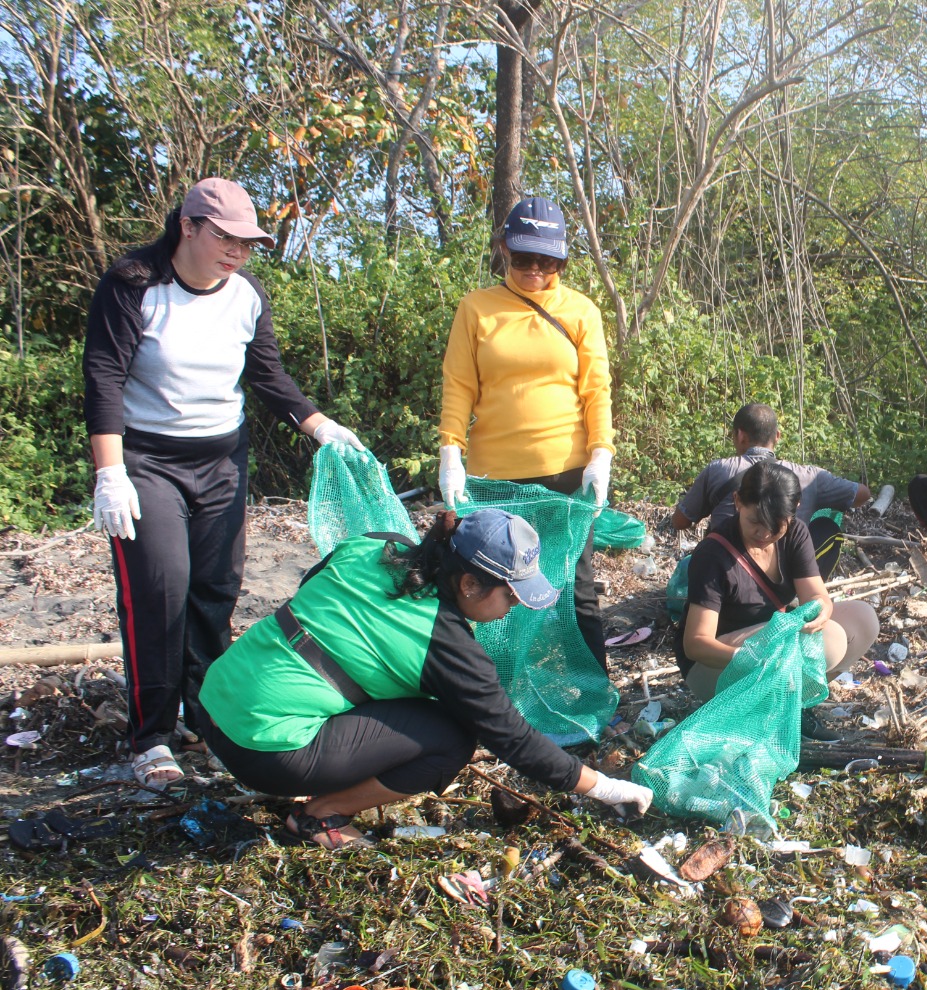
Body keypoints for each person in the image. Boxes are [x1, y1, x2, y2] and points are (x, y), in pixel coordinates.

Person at [82, 177, 364, 790]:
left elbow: (267, 375)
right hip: (148, 462)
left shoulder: (245, 295)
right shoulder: (134, 285)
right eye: (225, 238)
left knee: (214, 590)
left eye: (248, 242)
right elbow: (103, 379)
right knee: (161, 589)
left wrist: (319, 426)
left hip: (221, 461)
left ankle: (205, 714)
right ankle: (151, 736)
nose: (237, 251)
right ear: (187, 227)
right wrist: (110, 472)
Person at [195, 509, 652, 850]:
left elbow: (312, 591)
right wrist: (610, 788)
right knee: (451, 736)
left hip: (213, 702)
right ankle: (321, 815)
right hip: (264, 749)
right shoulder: (446, 643)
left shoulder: (377, 543)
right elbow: (512, 739)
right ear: (470, 585)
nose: (511, 609)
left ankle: (321, 779)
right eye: (510, 597)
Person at [438, 196, 613, 670]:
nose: (535, 269)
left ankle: (592, 688)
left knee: (575, 582)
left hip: (567, 475)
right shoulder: (477, 308)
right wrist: (450, 452)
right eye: (523, 258)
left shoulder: (580, 311)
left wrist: (601, 453)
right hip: (497, 478)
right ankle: (495, 691)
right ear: (504, 251)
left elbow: (597, 388)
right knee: (493, 588)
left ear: (561, 258)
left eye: (547, 259)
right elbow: (458, 385)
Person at [674, 463, 880, 741]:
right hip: (715, 666)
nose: (764, 534)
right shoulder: (714, 554)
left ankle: (789, 709)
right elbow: (696, 644)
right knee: (829, 640)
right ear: (737, 502)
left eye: (775, 526)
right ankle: (765, 713)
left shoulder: (795, 533)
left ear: (794, 508)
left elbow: (817, 596)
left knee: (863, 619)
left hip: (768, 640)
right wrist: (752, 660)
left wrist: (821, 610)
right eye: (755, 522)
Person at [672, 402, 871, 579]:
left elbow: (680, 521)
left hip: (726, 566)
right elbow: (863, 494)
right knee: (825, 528)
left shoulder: (718, 470)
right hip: (763, 571)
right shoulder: (808, 476)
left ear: (740, 435)